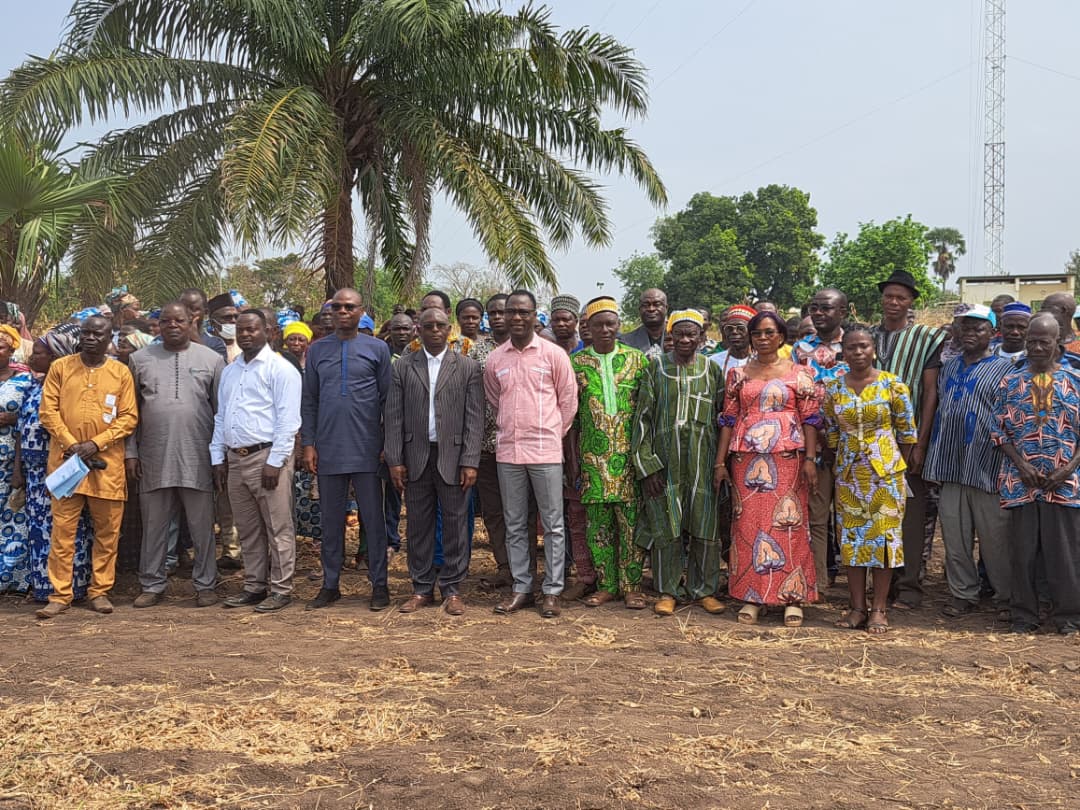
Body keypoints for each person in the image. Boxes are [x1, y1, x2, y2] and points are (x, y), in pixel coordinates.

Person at [716, 311, 820, 626]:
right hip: (746, 460)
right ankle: (752, 596)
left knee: (790, 526)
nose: (762, 338)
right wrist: (720, 462)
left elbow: (811, 418)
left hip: (788, 458)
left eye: (769, 332)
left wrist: (811, 459)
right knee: (748, 527)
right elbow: (728, 419)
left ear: (781, 336)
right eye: (757, 333)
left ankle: (793, 598)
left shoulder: (800, 373)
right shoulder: (737, 374)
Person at [36, 315, 138, 619]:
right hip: (66, 464)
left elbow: (129, 417)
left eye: (98, 334)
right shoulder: (60, 367)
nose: (91, 338)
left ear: (109, 339)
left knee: (107, 533)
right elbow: (48, 412)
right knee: (62, 533)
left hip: (105, 466)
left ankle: (99, 591)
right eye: (86, 333)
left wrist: (95, 443)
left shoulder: (120, 372)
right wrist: (72, 445)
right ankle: (60, 595)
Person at [384, 307, 484, 615]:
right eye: (429, 326)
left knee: (455, 525)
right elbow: (393, 415)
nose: (435, 330)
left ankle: (452, 589)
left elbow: (474, 418)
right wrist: (394, 459)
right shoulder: (403, 367)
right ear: (419, 330)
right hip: (415, 456)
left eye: (441, 325)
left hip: (453, 456)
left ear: (449, 329)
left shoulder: (467, 367)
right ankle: (421, 588)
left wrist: (470, 460)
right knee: (418, 526)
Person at [486, 290, 577, 619]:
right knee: (514, 523)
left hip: (545, 451)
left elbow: (568, 402)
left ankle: (552, 590)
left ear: (535, 315)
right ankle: (522, 587)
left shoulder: (553, 355)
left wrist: (549, 432)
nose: (516, 317)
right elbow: (495, 399)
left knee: (552, 524)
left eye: (523, 312)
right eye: (511, 311)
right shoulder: (496, 359)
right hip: (509, 451)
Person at [127, 302, 225, 608]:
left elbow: (221, 412)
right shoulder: (139, 359)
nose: (172, 325)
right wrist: (131, 452)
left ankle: (205, 585)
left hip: (198, 455)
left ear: (191, 321)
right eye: (166, 320)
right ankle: (152, 584)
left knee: (202, 526)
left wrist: (219, 458)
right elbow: (130, 412)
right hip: (153, 455)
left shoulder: (212, 359)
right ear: (158, 324)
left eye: (179, 320)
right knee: (154, 526)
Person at [302, 289, 392, 611]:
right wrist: (309, 443)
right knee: (330, 521)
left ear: (361, 311)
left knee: (373, 519)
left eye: (349, 307)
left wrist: (387, 443)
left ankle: (379, 584)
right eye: (337, 307)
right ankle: (330, 585)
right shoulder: (317, 350)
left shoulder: (378, 349)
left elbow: (388, 400)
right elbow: (309, 400)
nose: (342, 311)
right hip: (329, 448)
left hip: (367, 448)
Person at [823, 326, 917, 635]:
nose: (858, 352)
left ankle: (879, 608)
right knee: (852, 541)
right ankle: (857, 608)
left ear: (873, 349)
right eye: (851, 347)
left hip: (885, 475)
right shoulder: (834, 388)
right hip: (850, 476)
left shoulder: (893, 384)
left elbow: (907, 432)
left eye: (863, 346)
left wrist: (894, 465)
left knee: (884, 541)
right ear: (844, 352)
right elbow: (832, 433)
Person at [923, 305, 1014, 620]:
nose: (971, 333)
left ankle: (1006, 596)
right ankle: (963, 593)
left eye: (979, 327)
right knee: (955, 538)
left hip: (987, 467)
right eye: (965, 327)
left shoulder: (1005, 369)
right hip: (950, 466)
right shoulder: (949, 367)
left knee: (995, 540)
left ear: (992, 332)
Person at [992, 314, 1080, 634]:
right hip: (1021, 482)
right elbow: (998, 431)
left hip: (1065, 482)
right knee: (1023, 553)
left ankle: (1068, 616)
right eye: (1032, 341)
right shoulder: (1010, 382)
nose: (1037, 348)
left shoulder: (1075, 381)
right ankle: (1024, 615)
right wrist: (1022, 465)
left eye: (1044, 341)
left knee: (1064, 554)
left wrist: (1068, 468)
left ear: (1058, 342)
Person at [633, 310, 725, 617]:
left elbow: (723, 418)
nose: (685, 340)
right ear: (670, 335)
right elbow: (643, 419)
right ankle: (668, 590)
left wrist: (720, 464)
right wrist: (648, 466)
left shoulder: (711, 370)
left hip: (703, 461)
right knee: (666, 526)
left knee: (705, 526)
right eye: (680, 334)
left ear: (701, 337)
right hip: (665, 464)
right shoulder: (656, 368)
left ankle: (704, 590)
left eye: (692, 334)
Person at [211, 310, 301, 612]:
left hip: (267, 457)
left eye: (252, 329)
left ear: (268, 332)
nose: (245, 334)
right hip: (235, 459)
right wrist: (217, 456)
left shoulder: (281, 369)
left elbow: (288, 421)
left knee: (277, 527)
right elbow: (222, 416)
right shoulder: (231, 371)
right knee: (248, 528)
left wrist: (276, 461)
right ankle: (254, 586)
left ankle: (281, 589)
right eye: (241, 330)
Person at [870, 270, 945, 611]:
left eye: (901, 297)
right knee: (876, 514)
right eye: (889, 296)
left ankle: (909, 585)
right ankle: (879, 587)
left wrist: (920, 443)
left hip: (905, 442)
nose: (893, 302)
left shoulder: (926, 338)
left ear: (911, 302)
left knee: (909, 515)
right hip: (869, 443)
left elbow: (930, 392)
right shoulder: (868, 336)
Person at [568, 297, 648, 608]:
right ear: (587, 327)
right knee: (598, 526)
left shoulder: (637, 360)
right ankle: (607, 585)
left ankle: (632, 587)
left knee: (630, 525)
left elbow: (648, 412)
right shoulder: (576, 364)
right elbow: (571, 421)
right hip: (592, 459)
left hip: (630, 458)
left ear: (618, 325)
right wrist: (573, 463)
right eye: (598, 324)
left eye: (610, 324)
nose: (604, 329)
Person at [19, 327, 94, 602]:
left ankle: (72, 587)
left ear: (55, 357)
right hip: (33, 473)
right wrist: (18, 469)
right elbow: (21, 427)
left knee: (66, 529)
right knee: (40, 531)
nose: (31, 357)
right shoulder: (35, 384)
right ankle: (45, 588)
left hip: (61, 468)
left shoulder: (68, 386)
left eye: (38, 353)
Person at [472, 293, 535, 589]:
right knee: (495, 511)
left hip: (522, 445)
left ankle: (527, 569)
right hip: (487, 446)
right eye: (493, 313)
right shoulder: (477, 352)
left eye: (503, 312)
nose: (499, 317)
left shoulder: (530, 348)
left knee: (524, 511)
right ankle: (505, 567)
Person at [794, 288, 849, 591]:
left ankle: (857, 588)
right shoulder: (800, 349)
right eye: (814, 308)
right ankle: (818, 584)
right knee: (816, 518)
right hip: (813, 446)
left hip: (852, 447)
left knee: (851, 518)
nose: (818, 313)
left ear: (843, 312)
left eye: (825, 308)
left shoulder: (856, 344)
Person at [549, 293, 595, 600]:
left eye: (567, 318)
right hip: (554, 444)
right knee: (562, 514)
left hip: (586, 443)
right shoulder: (546, 352)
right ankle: (568, 570)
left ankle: (595, 574)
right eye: (557, 319)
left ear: (576, 322)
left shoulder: (585, 356)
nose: (562, 324)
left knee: (587, 514)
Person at [0, 324, 38, 593]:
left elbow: (32, 419)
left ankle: (11, 578)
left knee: (14, 518)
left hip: (11, 460)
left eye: (0, 346)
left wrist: (14, 418)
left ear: (12, 348)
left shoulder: (25, 382)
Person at [179, 288, 229, 361]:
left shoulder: (215, 343)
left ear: (206, 312)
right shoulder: (164, 340)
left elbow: (218, 366)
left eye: (193, 309)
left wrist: (196, 339)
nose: (187, 313)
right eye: (183, 308)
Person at [709, 305, 756, 379]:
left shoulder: (761, 361)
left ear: (751, 332)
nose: (734, 332)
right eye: (729, 329)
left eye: (741, 328)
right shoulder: (713, 361)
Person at [620, 288, 667, 360]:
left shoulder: (678, 337)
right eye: (646, 305)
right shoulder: (626, 342)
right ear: (639, 309)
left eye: (657, 304)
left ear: (666, 308)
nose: (651, 309)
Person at [207, 292, 242, 362]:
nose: (233, 320)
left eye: (236, 316)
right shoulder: (206, 345)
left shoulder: (244, 344)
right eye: (227, 317)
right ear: (213, 323)